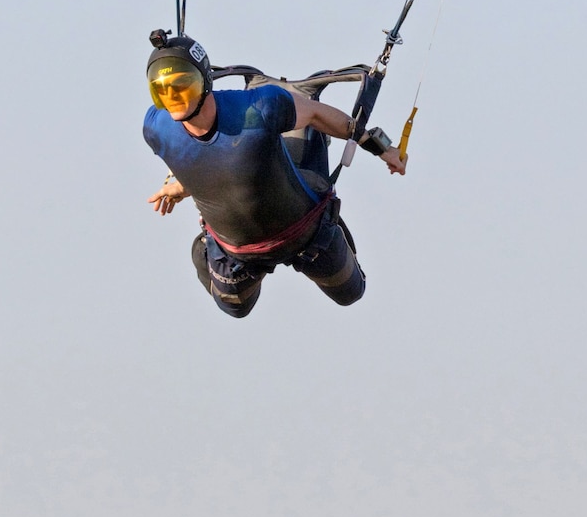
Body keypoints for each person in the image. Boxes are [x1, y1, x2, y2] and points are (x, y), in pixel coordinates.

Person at [144, 31, 405, 318]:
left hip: (305, 231)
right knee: (234, 308)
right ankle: (206, 247)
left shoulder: (258, 108)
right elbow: (203, 157)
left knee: (350, 293)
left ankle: (323, 200)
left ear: (205, 82)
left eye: (183, 87)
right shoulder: (157, 127)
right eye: (161, 90)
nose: (173, 99)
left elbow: (317, 114)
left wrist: (381, 149)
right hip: (237, 251)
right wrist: (181, 185)